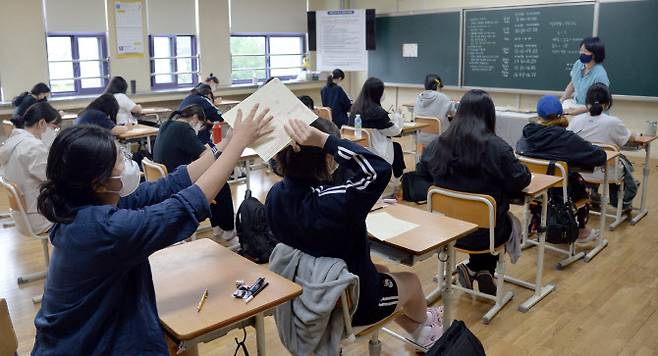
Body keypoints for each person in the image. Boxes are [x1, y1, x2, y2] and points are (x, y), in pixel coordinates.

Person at [32, 105, 273, 354]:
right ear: (98, 183)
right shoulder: (102, 229)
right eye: (119, 162)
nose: (126, 164)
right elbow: (184, 206)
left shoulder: (83, 203)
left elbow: (167, 186)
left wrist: (224, 145)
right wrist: (240, 143)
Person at [267, 118, 443, 349]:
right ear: (329, 157)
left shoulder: (275, 196)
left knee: (383, 271)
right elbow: (379, 169)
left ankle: (419, 330)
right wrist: (325, 140)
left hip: (308, 294)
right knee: (411, 282)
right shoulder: (331, 203)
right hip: (348, 303)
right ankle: (426, 328)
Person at [417, 89, 531, 294]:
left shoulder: (438, 144)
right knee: (499, 217)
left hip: (446, 231)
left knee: (482, 216)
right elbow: (521, 179)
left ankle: (475, 269)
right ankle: (481, 269)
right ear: (489, 115)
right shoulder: (497, 148)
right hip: (488, 234)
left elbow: (421, 172)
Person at [516, 95, 607, 243]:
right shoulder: (565, 138)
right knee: (577, 181)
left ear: (539, 115)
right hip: (558, 193)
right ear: (561, 113)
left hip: (533, 187)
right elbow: (599, 156)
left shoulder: (527, 134)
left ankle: (537, 223)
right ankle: (580, 230)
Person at [152, 105, 238, 248]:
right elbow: (206, 154)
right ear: (195, 118)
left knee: (211, 181)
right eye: (201, 125)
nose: (199, 130)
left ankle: (217, 227)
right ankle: (228, 231)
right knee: (220, 183)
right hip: (178, 180)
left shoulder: (167, 124)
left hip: (165, 178)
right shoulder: (184, 129)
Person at [568, 83, 638, 210]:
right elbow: (632, 138)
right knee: (622, 162)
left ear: (587, 102)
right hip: (607, 173)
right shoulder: (612, 122)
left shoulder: (576, 121)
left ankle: (591, 193)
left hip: (580, 172)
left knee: (593, 155)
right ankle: (621, 202)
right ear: (607, 103)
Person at [0, 102, 61, 234]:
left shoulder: (13, 141)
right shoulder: (33, 147)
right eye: (54, 127)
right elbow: (54, 178)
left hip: (22, 216)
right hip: (39, 219)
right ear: (42, 123)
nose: (54, 132)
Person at [349, 77, 406, 178]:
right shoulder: (378, 112)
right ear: (377, 93)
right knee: (397, 148)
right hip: (376, 150)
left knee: (396, 147)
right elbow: (394, 131)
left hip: (359, 148)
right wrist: (398, 117)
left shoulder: (354, 108)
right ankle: (398, 181)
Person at [561, 37, 609, 115]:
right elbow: (573, 83)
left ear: (595, 54)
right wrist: (561, 100)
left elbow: (601, 104)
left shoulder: (600, 75)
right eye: (581, 50)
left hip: (594, 112)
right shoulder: (578, 64)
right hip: (577, 105)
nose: (582, 53)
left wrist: (579, 110)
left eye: (585, 51)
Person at [414, 73, 454, 143]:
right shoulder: (443, 97)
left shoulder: (419, 97)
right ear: (438, 85)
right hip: (439, 137)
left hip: (421, 137)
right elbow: (453, 113)